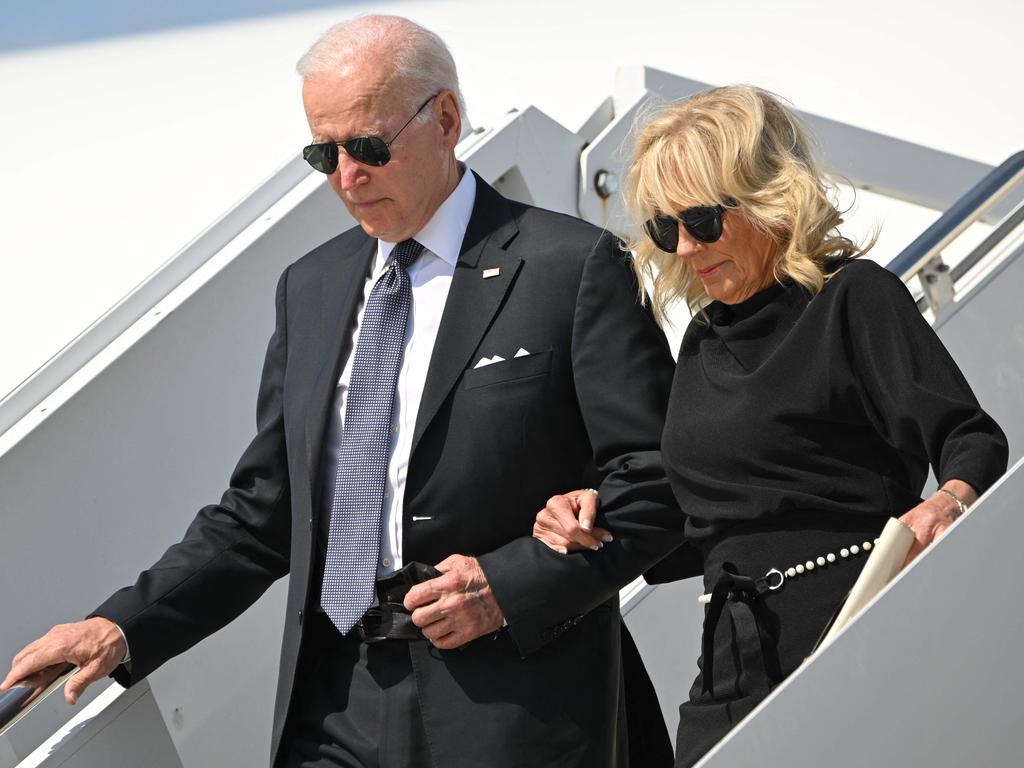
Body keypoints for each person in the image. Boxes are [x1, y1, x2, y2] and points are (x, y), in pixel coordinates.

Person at [0, 16, 685, 768]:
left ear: (446, 119)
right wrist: (118, 627)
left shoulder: (571, 265)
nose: (345, 177)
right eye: (322, 153)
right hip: (335, 700)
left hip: (514, 704)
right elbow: (263, 514)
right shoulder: (313, 286)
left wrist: (505, 585)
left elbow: (656, 487)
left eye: (367, 147)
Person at [531, 84, 1010, 766]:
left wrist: (948, 499)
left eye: (701, 219)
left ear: (766, 197)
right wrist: (599, 516)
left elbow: (970, 436)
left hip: (855, 632)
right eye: (666, 230)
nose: (687, 247)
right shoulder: (702, 339)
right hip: (731, 658)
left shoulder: (853, 299)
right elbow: (702, 524)